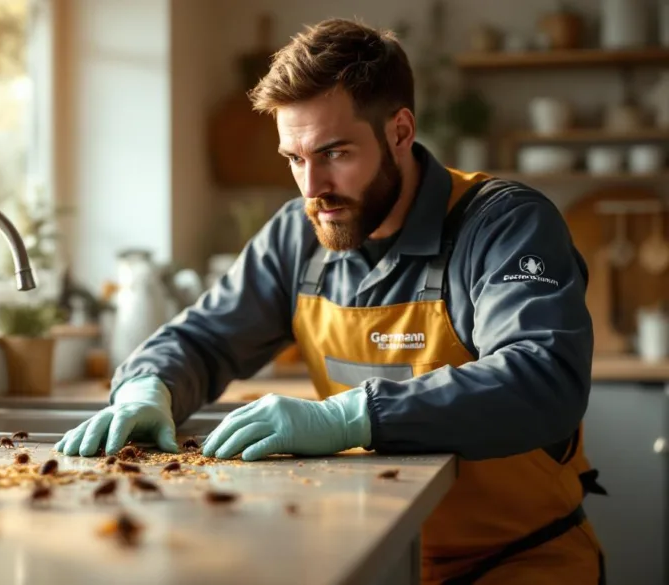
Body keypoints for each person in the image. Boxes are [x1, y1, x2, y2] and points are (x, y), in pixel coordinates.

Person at [55, 17, 606, 584]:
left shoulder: (504, 224)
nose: (312, 188)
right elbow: (203, 338)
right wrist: (150, 387)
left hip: (520, 560)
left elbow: (545, 377)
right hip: (372, 556)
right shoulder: (297, 235)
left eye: (334, 153)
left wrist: (351, 416)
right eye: (294, 159)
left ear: (400, 131)